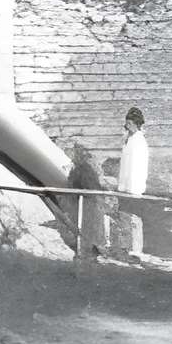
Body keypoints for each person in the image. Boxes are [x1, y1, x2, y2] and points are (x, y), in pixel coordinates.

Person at [115, 106, 149, 263]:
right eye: (126, 123)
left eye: (129, 123)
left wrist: (133, 188)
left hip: (134, 186)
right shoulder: (129, 140)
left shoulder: (139, 142)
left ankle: (136, 251)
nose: (127, 126)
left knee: (134, 219)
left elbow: (137, 168)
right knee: (124, 217)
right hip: (125, 186)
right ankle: (125, 248)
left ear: (136, 124)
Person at [68, 143, 109, 257]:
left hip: (89, 202)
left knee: (90, 227)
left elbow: (83, 185)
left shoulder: (84, 169)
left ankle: (91, 250)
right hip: (89, 202)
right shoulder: (79, 168)